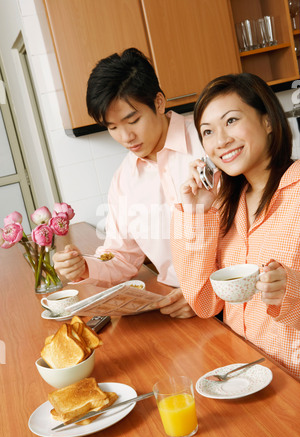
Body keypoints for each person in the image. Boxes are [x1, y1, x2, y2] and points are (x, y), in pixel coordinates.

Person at [53, 48, 205, 318]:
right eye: (112, 127)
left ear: (159, 103)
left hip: (238, 299)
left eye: (132, 120)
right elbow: (121, 257)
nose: (126, 136)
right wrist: (83, 267)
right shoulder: (124, 179)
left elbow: (252, 234)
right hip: (178, 309)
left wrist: (206, 291)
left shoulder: (210, 142)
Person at [171, 72, 300, 378]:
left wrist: (291, 288)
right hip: (242, 372)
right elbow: (204, 302)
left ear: (267, 121)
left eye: (231, 121)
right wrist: (198, 212)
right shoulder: (226, 205)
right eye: (208, 132)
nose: (221, 140)